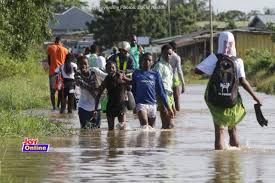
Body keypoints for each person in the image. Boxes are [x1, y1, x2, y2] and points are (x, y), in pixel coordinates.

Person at [194, 31, 262, 150]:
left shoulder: (215, 57)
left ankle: (219, 164)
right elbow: (243, 81)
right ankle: (234, 160)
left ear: (220, 42)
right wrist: (255, 97)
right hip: (232, 99)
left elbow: (197, 70)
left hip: (215, 98)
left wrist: (213, 71)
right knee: (233, 128)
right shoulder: (238, 61)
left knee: (219, 130)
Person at [132, 52, 174, 128]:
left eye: (149, 60)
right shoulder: (136, 73)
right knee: (144, 124)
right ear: (141, 61)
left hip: (152, 104)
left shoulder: (155, 74)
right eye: (145, 60)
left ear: (152, 62)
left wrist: (168, 108)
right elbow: (133, 90)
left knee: (152, 129)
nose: (147, 62)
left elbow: (161, 92)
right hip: (141, 104)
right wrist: (134, 105)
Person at [95, 62, 131, 130]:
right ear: (106, 70)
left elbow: (131, 86)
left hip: (121, 106)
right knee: (110, 130)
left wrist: (125, 79)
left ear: (116, 68)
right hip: (110, 106)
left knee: (122, 129)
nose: (111, 69)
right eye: (108, 68)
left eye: (113, 68)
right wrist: (95, 109)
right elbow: (98, 94)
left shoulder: (122, 77)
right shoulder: (106, 80)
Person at [76, 56, 107, 128]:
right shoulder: (77, 75)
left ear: (88, 64)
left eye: (85, 64)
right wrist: (97, 88)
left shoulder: (94, 71)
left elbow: (107, 76)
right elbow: (85, 86)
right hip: (83, 107)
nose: (83, 66)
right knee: (84, 130)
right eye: (81, 64)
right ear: (78, 65)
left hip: (97, 107)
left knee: (97, 132)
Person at [153, 44, 176, 129]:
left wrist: (173, 104)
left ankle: (165, 140)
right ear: (162, 53)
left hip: (170, 95)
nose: (168, 56)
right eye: (166, 53)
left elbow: (170, 85)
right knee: (167, 123)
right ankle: (163, 141)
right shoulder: (159, 65)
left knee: (170, 124)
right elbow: (156, 83)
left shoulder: (169, 66)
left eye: (170, 54)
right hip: (162, 95)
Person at [47, 36, 68, 110]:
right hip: (62, 73)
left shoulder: (50, 48)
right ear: (61, 42)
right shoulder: (65, 50)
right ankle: (59, 106)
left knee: (52, 92)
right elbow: (66, 62)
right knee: (61, 91)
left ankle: (53, 107)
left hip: (52, 72)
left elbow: (49, 61)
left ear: (55, 41)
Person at [169, 41, 185, 111]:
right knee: (177, 100)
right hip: (175, 80)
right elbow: (179, 71)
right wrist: (183, 84)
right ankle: (178, 117)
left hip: (167, 80)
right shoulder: (177, 57)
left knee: (169, 102)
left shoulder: (163, 56)